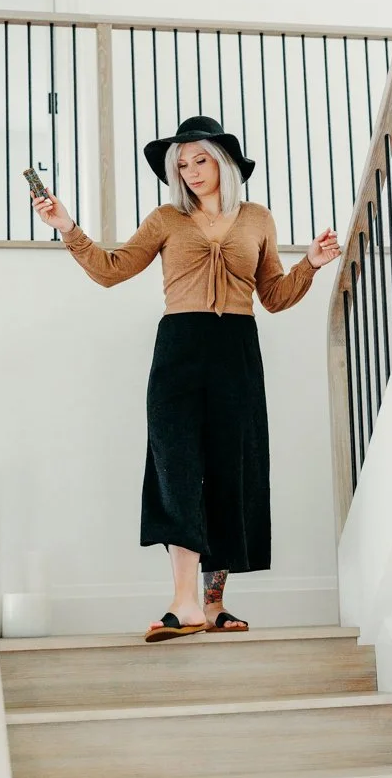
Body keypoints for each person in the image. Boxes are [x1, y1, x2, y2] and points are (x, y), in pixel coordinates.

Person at [32, 115, 341, 642]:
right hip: (178, 348)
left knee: (231, 468)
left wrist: (309, 264)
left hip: (237, 350)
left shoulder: (258, 219)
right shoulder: (165, 219)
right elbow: (111, 269)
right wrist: (67, 225)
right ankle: (184, 601)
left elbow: (274, 297)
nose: (192, 171)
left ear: (222, 162)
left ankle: (216, 603)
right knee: (177, 468)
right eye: (182, 163)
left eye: (200, 160)